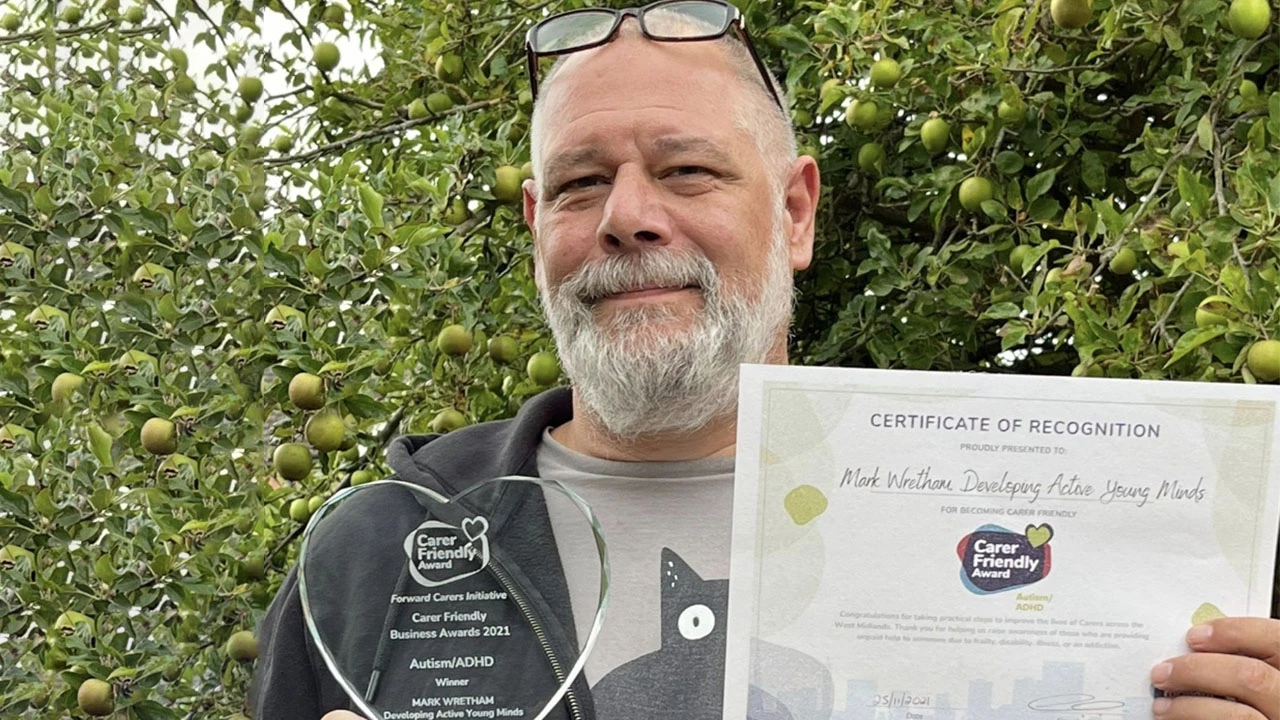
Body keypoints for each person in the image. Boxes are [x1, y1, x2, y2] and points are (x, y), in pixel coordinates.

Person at [251, 2, 1280, 719]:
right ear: (535, 223)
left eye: (685, 170)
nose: (624, 219)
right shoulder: (375, 560)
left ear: (793, 211)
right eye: (576, 185)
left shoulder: (1069, 527)